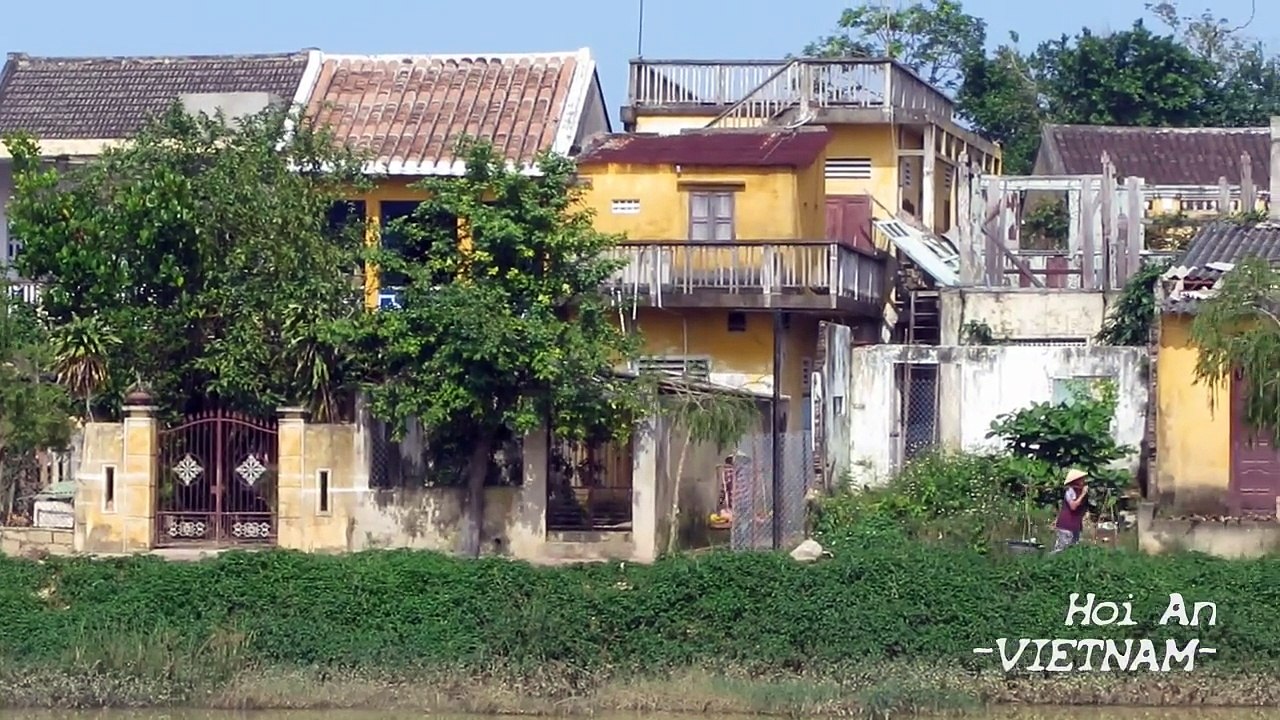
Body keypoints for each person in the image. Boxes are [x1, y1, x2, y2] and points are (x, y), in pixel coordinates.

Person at [1052, 468, 1089, 554]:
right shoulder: (1070, 491)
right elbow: (1073, 506)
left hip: (1076, 526)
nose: (1083, 480)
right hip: (1066, 525)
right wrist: (1083, 494)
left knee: (1074, 550)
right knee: (1061, 550)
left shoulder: (1080, 491)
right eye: (1081, 479)